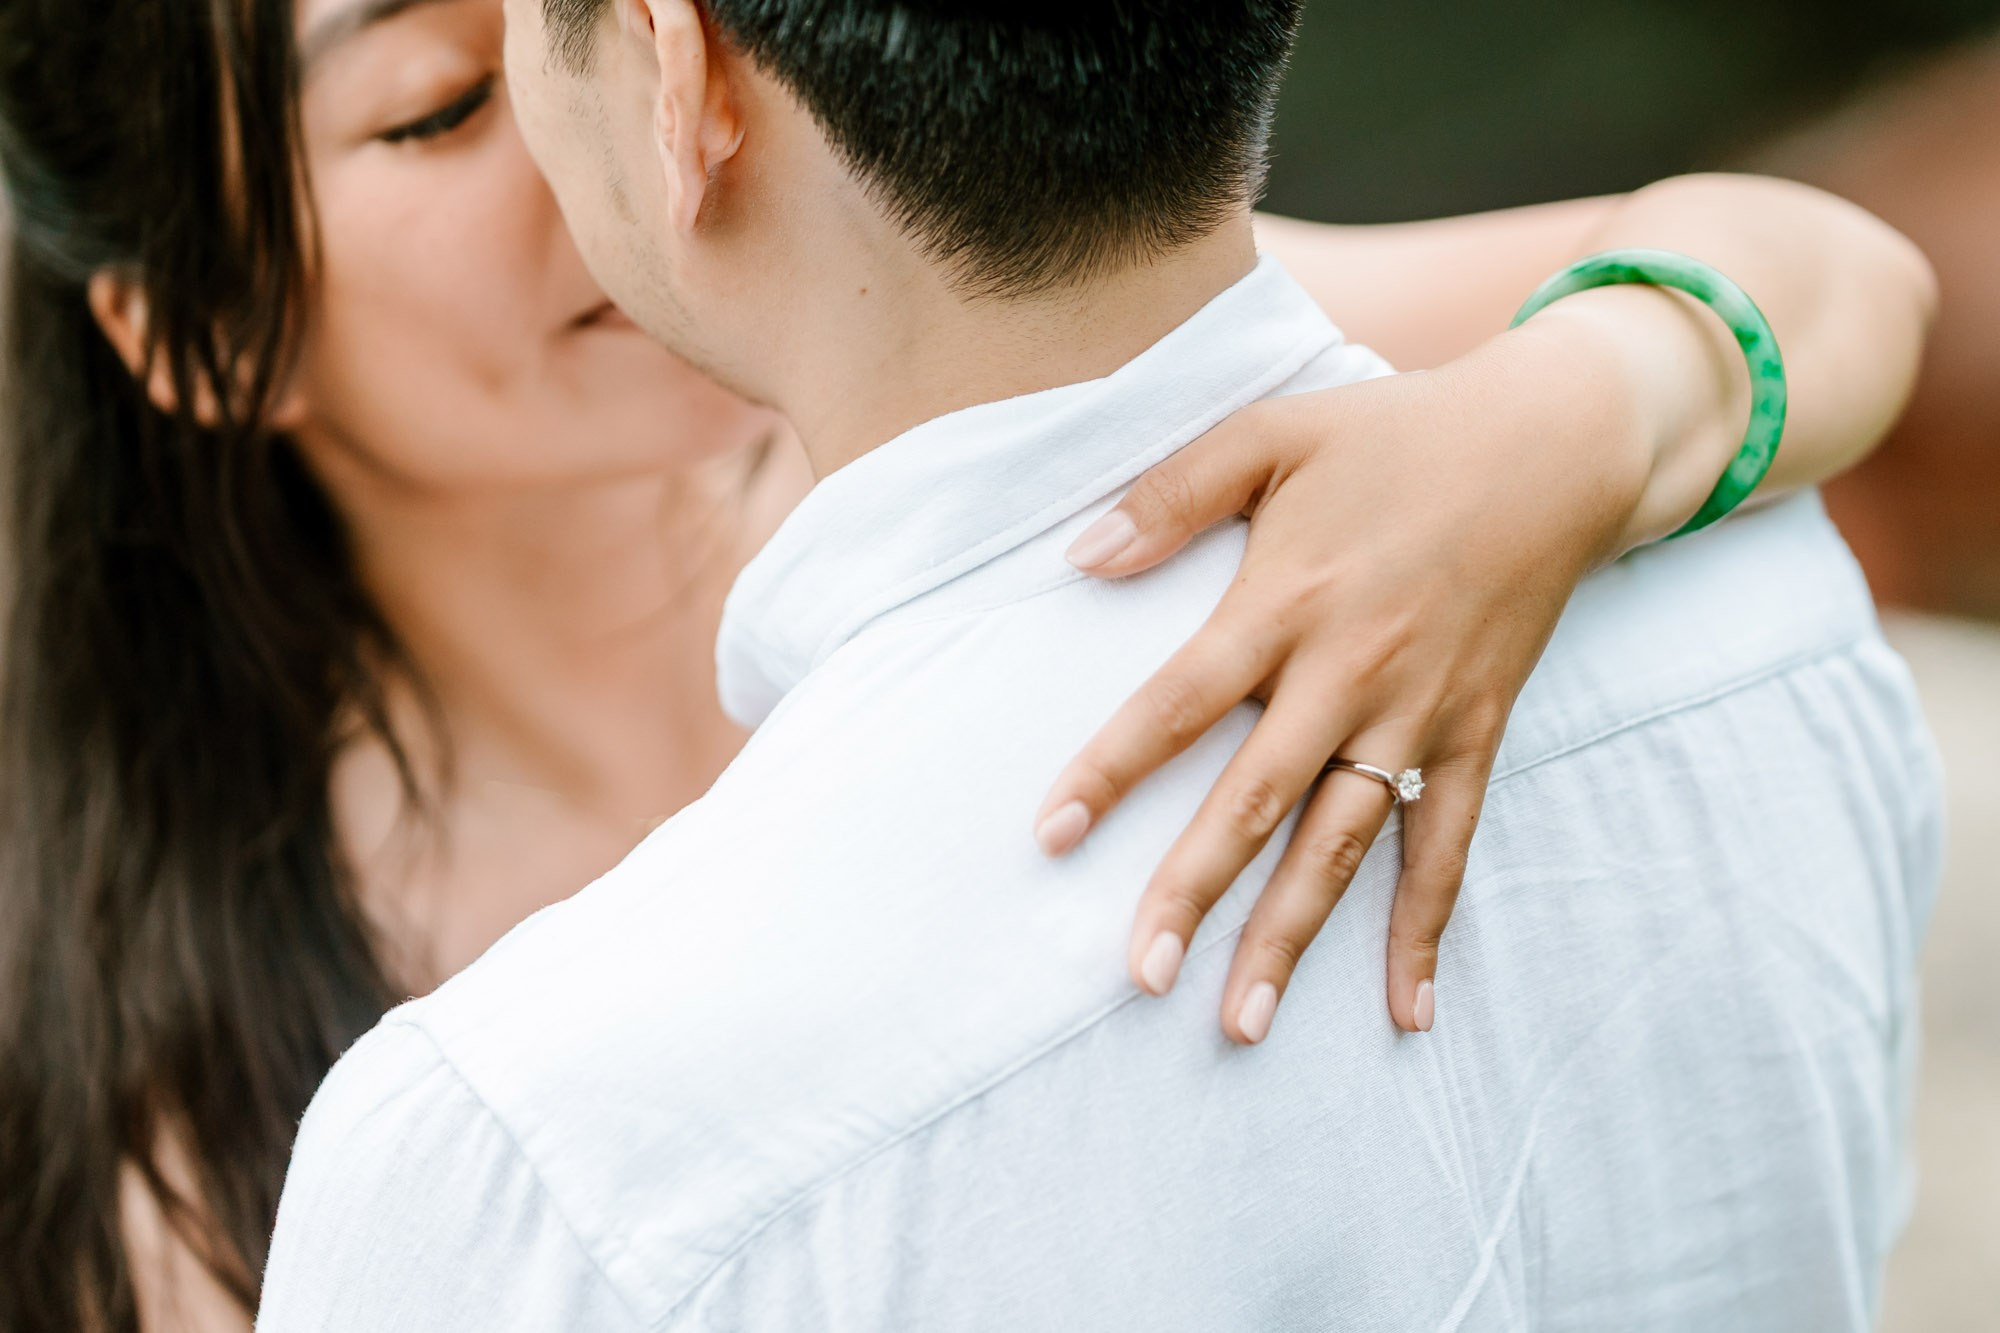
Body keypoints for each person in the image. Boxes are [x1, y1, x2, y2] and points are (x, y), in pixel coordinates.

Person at [0, 0, 1933, 1330]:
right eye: (436, 108)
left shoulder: (1030, 409)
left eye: (549, 22)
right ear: (195, 334)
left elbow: (1830, 267)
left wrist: (1583, 406)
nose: (587, 119)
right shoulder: (220, 1087)